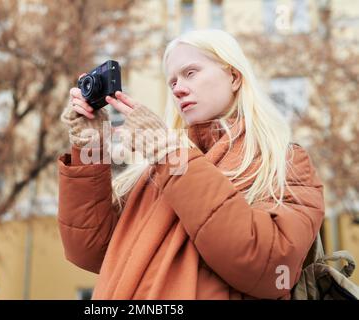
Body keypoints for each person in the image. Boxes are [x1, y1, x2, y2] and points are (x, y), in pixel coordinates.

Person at [57, 29, 325, 299]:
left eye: (191, 73)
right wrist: (89, 145)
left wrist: (171, 155)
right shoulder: (154, 171)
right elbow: (90, 250)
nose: (179, 88)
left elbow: (271, 268)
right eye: (172, 82)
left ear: (233, 77)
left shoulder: (284, 161)